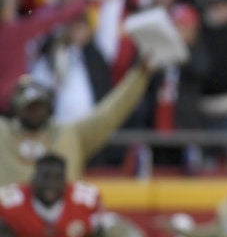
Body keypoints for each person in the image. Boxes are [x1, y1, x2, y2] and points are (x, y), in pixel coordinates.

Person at [0, 67, 151, 184]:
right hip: (8, 221)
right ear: (15, 108)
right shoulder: (3, 132)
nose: (34, 113)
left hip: (64, 220)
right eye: (29, 107)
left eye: (39, 107)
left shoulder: (68, 134)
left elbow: (110, 114)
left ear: (50, 108)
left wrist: (140, 75)